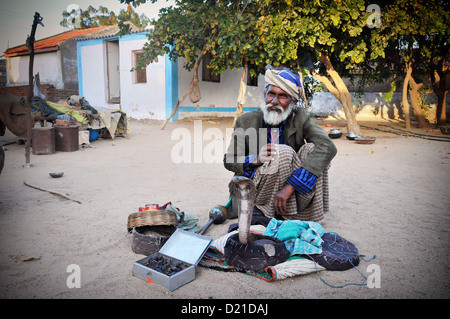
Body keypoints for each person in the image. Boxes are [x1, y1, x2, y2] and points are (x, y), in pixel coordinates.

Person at [224, 67, 337, 223]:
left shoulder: (300, 117)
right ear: (265, 95)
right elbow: (229, 159)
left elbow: (328, 146)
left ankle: (304, 214)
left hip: (287, 183)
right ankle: (261, 211)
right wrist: (255, 159)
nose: (274, 101)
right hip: (256, 186)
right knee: (281, 152)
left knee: (312, 149)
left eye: (282, 96)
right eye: (271, 94)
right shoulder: (245, 121)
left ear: (293, 102)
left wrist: (289, 186)